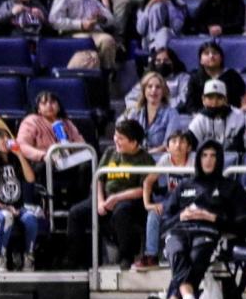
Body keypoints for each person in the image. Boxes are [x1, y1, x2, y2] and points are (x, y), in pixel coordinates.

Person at [147, 140, 246, 299]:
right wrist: (180, 216)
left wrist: (213, 218)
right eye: (204, 155)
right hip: (180, 230)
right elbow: (164, 223)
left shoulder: (231, 188)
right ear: (198, 158)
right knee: (177, 250)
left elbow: (244, 224)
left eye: (213, 156)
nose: (208, 160)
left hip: (210, 232)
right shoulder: (184, 186)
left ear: (220, 159)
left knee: (197, 254)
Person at [67, 120, 154, 269]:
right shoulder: (109, 152)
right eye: (115, 136)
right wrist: (100, 201)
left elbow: (143, 189)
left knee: (122, 212)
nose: (116, 140)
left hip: (129, 199)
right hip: (105, 196)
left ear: (133, 142)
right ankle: (78, 260)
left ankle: (126, 257)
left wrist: (117, 198)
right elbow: (98, 180)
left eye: (121, 138)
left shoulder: (145, 159)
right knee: (75, 213)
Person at [137, 126, 196, 269]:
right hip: (173, 201)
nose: (178, 145)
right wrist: (148, 204)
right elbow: (148, 181)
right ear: (168, 147)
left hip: (193, 201)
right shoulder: (165, 159)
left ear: (188, 147)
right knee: (153, 214)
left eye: (182, 142)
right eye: (174, 141)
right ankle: (151, 255)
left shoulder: (195, 160)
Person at [0, 129, 40, 272]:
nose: (5, 140)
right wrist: (4, 207)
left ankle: (29, 257)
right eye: (1, 138)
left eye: (7, 137)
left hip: (18, 207)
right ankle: (0, 258)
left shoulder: (16, 162)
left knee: (31, 218)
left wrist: (20, 155)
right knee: (7, 217)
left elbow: (30, 179)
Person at [48, 0, 117, 70]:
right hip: (72, 33)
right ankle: (105, 75)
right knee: (107, 40)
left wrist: (101, 18)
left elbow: (111, 19)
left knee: (108, 41)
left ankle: (107, 75)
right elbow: (54, 20)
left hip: (95, 32)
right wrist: (81, 24)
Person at [182, 41, 245, 115]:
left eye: (215, 53)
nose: (211, 56)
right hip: (203, 116)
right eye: (206, 53)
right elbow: (190, 104)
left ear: (221, 58)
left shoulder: (232, 75)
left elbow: (242, 97)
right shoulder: (195, 78)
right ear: (201, 60)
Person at [121, 72, 178, 152]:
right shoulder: (135, 112)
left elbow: (168, 144)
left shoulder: (172, 114)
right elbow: (127, 137)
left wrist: (149, 153)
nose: (153, 90)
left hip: (159, 158)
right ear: (144, 90)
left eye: (158, 87)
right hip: (136, 156)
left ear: (163, 91)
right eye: (149, 86)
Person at [187, 79, 246, 149]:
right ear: (203, 99)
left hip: (230, 158)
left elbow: (240, 147)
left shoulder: (237, 116)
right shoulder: (199, 120)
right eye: (210, 97)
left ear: (225, 99)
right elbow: (190, 146)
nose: (214, 102)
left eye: (219, 97)